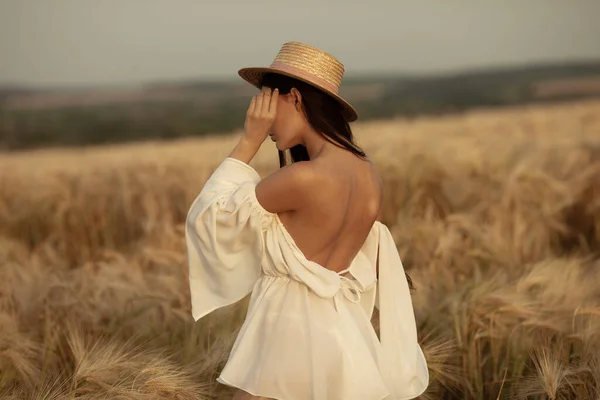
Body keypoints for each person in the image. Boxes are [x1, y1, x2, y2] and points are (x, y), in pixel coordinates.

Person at [185, 41, 429, 400]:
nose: (262, 117)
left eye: (268, 102)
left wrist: (249, 139)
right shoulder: (369, 174)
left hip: (287, 327)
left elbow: (210, 215)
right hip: (341, 329)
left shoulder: (302, 179)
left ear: (295, 98)